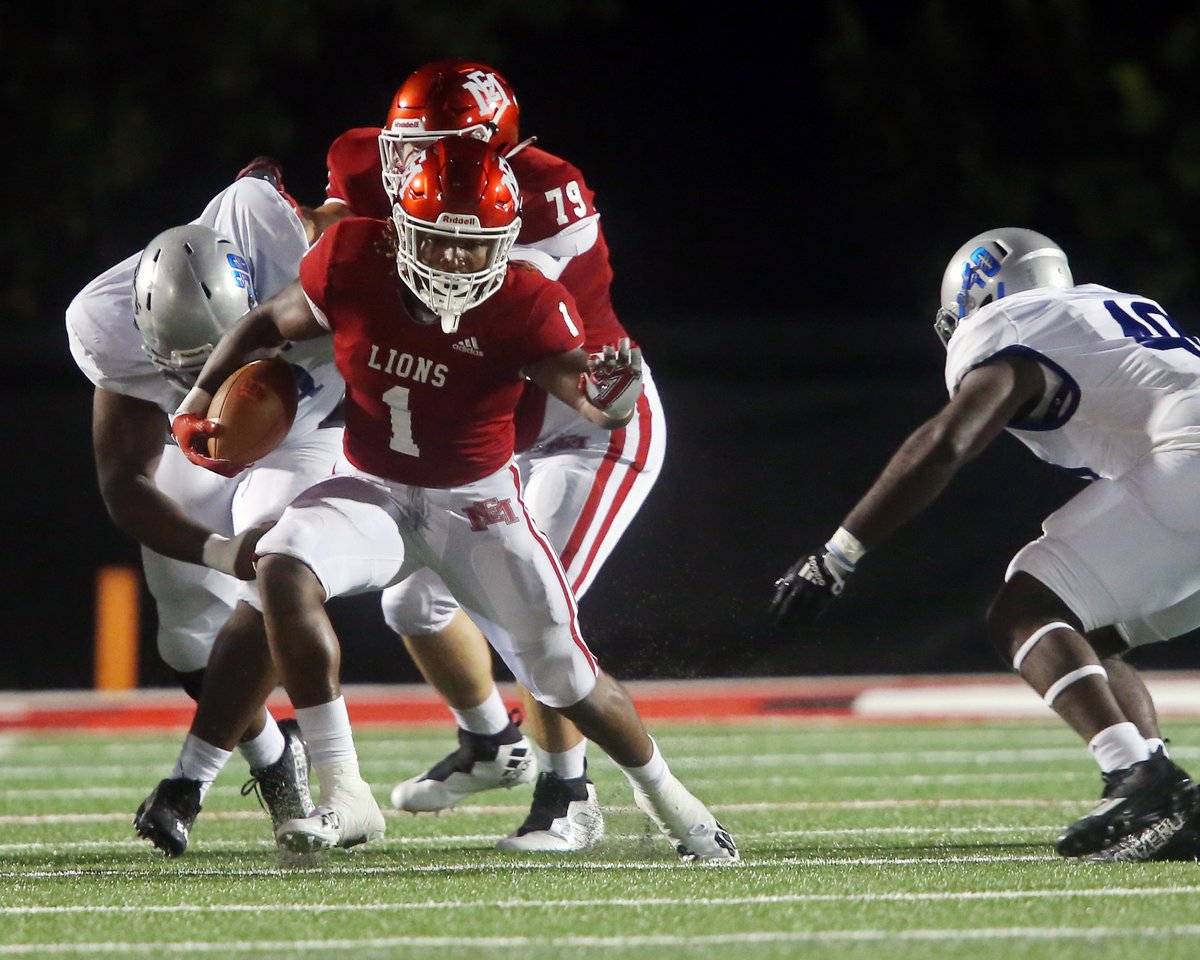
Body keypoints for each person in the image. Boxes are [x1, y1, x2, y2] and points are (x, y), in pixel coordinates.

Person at [171, 136, 737, 863]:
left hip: (477, 509)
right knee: (282, 560)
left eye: (476, 247)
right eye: (438, 241)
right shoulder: (351, 260)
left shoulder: (528, 300)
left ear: (508, 241)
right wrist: (196, 400)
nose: (457, 262)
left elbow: (583, 393)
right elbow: (265, 323)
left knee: (563, 673)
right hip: (373, 489)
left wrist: (613, 400)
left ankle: (674, 803)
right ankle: (346, 792)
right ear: (403, 226)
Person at [304, 59, 665, 852]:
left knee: (531, 622)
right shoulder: (367, 159)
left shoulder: (548, 195)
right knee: (411, 604)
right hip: (484, 437)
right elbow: (331, 245)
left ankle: (570, 798)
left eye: (431, 146)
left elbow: (476, 314)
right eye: (404, 143)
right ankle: (488, 740)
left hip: (585, 422)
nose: (403, 163)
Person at [769, 227, 1200, 863]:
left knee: (1024, 610)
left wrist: (838, 554)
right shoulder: (1103, 307)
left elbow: (949, 442)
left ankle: (1138, 779)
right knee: (1088, 635)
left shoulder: (1007, 324)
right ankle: (1163, 804)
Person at [65, 173, 346, 856]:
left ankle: (188, 782)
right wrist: (217, 551)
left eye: (217, 358)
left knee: (275, 573)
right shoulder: (104, 324)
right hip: (199, 445)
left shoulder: (285, 245)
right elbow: (124, 481)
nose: (212, 378)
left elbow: (335, 213)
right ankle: (276, 756)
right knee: (187, 642)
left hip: (312, 428)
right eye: (187, 365)